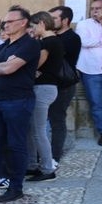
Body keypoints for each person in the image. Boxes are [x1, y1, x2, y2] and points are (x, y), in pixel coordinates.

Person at [0, 6, 40, 201]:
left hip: (19, 101)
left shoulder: (29, 44)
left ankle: (15, 187)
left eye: (10, 21)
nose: (5, 25)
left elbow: (9, 69)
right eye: (4, 22)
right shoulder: (3, 46)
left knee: (15, 145)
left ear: (23, 22)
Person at [76, 0, 102, 146]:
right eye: (92, 8)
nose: (94, 11)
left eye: (98, 8)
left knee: (100, 95)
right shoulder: (83, 24)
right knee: (96, 102)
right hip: (91, 68)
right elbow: (84, 42)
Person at [26, 11, 63, 180]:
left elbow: (35, 64)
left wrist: (31, 70)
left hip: (43, 89)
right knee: (33, 129)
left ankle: (47, 168)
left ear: (41, 23)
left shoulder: (48, 42)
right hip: (47, 88)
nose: (32, 30)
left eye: (33, 26)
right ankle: (32, 165)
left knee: (38, 131)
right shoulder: (52, 41)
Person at [47, 5, 81, 160]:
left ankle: (55, 155)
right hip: (50, 83)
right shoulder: (53, 37)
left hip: (64, 86)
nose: (50, 21)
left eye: (54, 18)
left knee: (57, 119)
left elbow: (56, 57)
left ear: (65, 20)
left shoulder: (72, 38)